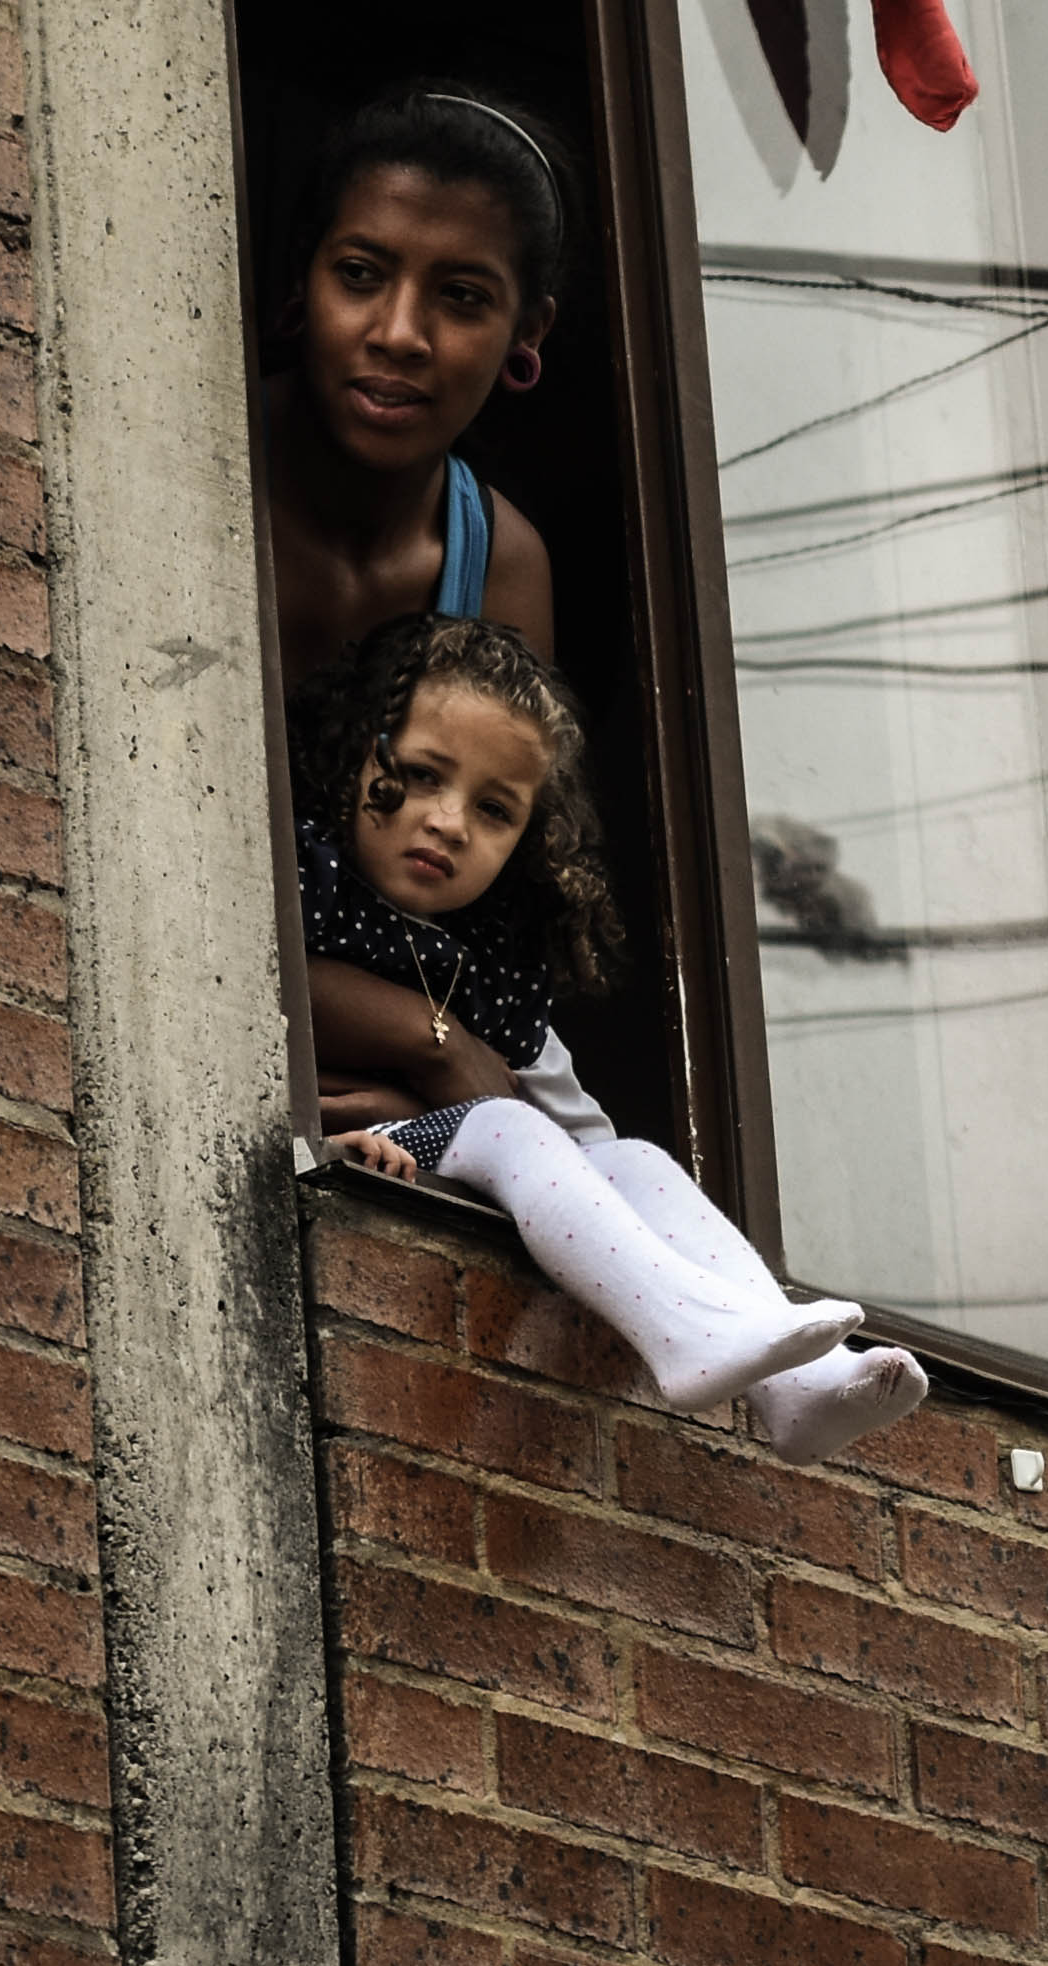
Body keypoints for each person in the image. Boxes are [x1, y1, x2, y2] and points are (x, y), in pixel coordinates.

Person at [299, 612, 931, 1463]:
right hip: (330, 1156)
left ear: (529, 839)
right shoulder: (305, 879)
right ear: (356, 751)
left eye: (494, 810)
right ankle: (682, 1330)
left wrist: (601, 1167)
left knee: (635, 1160)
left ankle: (797, 1385)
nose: (449, 822)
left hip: (424, 1144)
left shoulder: (491, 964)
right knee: (509, 1125)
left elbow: (585, 1137)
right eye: (420, 776)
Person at [262, 84, 568, 678]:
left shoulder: (499, 569)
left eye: (461, 296)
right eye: (358, 274)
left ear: (527, 331)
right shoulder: (198, 470)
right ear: (303, 275)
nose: (399, 334)